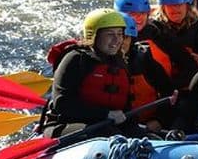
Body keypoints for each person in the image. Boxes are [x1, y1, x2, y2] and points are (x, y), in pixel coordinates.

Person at [42, 9, 137, 139]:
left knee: (139, 134)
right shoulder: (75, 59)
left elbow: (125, 106)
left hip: (105, 124)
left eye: (120, 34)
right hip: (64, 125)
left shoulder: (120, 63)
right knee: (107, 133)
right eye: (110, 34)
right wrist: (105, 114)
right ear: (94, 36)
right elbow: (62, 103)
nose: (117, 40)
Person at [118, 12, 175, 132]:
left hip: (147, 125)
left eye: (125, 37)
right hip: (115, 127)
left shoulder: (144, 59)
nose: (119, 42)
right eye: (113, 36)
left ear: (132, 39)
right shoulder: (96, 65)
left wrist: (159, 120)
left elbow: (168, 92)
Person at [149, 0, 198, 90]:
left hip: (188, 79)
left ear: (187, 6)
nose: (175, 9)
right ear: (163, 8)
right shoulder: (155, 28)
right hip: (162, 80)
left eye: (179, 5)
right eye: (170, 5)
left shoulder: (197, 25)